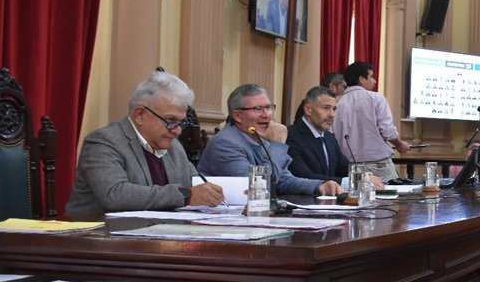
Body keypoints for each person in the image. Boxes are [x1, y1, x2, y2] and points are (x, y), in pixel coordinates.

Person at [65, 71, 224, 219]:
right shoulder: (104, 142)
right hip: (100, 238)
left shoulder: (174, 147)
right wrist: (185, 195)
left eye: (181, 122)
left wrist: (222, 193)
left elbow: (197, 185)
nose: (177, 131)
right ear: (139, 115)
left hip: (159, 235)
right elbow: (114, 195)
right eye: (170, 121)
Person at [198, 84, 343, 197]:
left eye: (269, 108)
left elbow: (284, 180)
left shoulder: (261, 138)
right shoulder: (225, 143)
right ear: (237, 116)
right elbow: (257, 187)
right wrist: (278, 145)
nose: (266, 115)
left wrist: (319, 186)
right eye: (258, 109)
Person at [333, 62, 410, 182]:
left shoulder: (337, 103)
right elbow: (387, 131)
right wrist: (399, 144)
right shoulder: (376, 98)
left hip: (348, 167)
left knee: (356, 199)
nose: (374, 81)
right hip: (378, 165)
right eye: (371, 77)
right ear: (362, 79)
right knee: (386, 198)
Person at [286, 86, 349, 183]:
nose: (332, 114)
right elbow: (303, 176)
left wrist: (362, 177)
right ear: (308, 110)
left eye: (334, 109)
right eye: (326, 108)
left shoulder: (329, 137)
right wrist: (347, 183)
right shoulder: (290, 136)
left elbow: (343, 168)